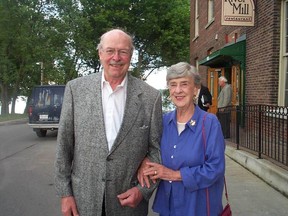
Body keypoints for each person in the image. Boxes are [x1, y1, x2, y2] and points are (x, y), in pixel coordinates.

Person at [54, 29, 162, 216]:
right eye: (110, 50)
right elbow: (64, 146)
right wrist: (65, 194)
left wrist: (143, 191)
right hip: (83, 202)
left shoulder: (151, 97)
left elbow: (156, 150)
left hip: (129, 203)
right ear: (100, 53)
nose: (116, 57)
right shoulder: (75, 89)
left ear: (131, 55)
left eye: (123, 51)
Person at [139, 62, 226, 216]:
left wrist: (173, 175)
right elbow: (151, 150)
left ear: (195, 89)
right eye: (173, 85)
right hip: (169, 207)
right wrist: (144, 161)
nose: (178, 90)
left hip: (198, 207)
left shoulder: (209, 123)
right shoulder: (163, 122)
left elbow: (215, 169)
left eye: (184, 84)